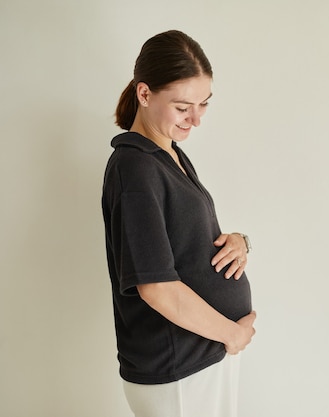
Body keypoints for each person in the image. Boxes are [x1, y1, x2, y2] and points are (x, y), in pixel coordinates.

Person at [101, 30, 256, 417]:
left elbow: (186, 242)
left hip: (198, 357)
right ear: (144, 94)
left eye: (204, 104)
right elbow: (156, 287)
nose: (197, 119)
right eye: (183, 106)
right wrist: (232, 334)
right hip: (177, 370)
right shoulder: (134, 167)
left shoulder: (169, 155)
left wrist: (239, 240)